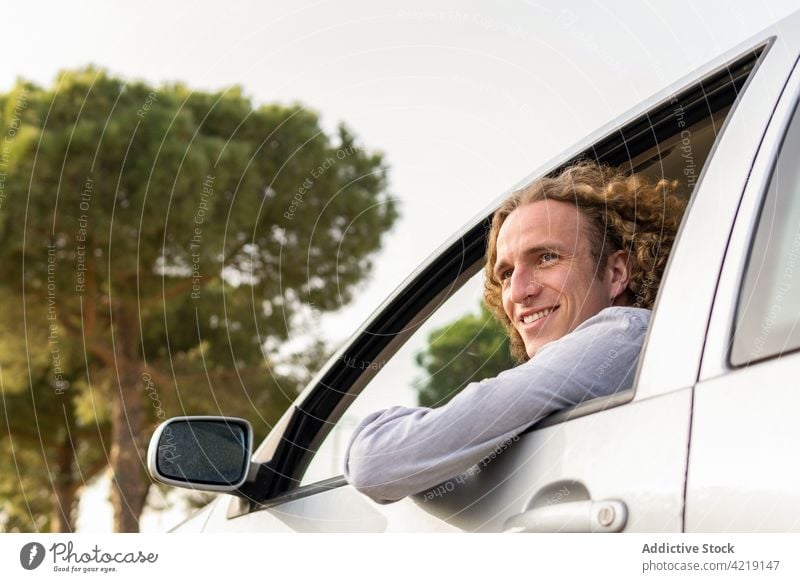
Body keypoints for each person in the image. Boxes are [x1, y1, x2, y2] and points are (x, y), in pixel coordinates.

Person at [343, 160, 686, 504]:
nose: (519, 291)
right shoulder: (607, 368)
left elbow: (372, 462)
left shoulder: (622, 335)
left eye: (547, 257)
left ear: (616, 273)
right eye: (506, 274)